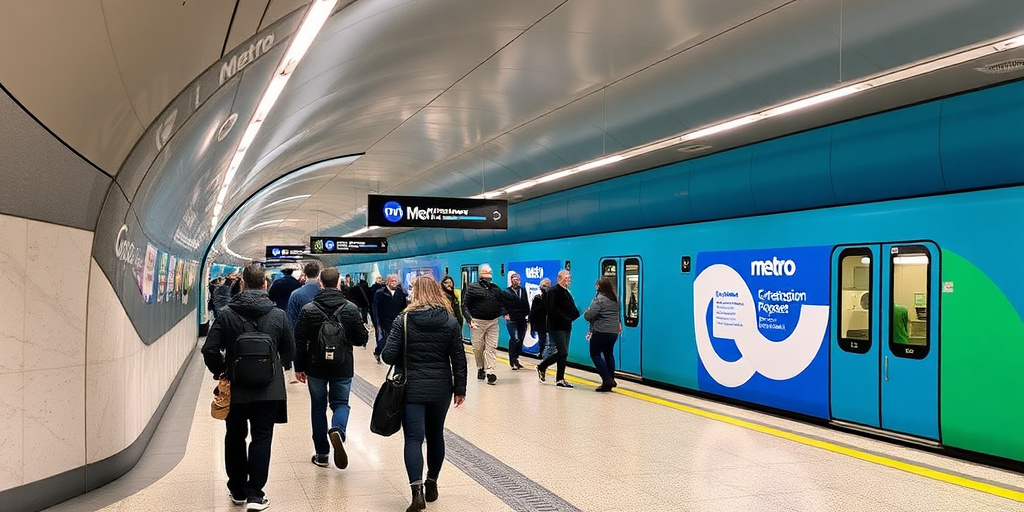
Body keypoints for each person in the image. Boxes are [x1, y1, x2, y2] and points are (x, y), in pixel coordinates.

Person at [201, 262, 294, 511]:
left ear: (242, 283)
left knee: (235, 437)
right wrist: (274, 365)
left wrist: (222, 370)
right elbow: (289, 351)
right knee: (262, 437)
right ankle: (256, 494)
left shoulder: (227, 314)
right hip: (269, 389)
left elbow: (209, 349)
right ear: (265, 284)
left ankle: (238, 491)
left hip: (236, 387)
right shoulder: (278, 315)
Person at [381, 276, 467, 512]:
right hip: (441, 388)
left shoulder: (404, 320)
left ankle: (416, 492)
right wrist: (460, 389)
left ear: (415, 293)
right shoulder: (450, 322)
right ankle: (432, 483)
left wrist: (404, 354)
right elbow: (459, 359)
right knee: (436, 434)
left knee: (414, 439)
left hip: (411, 388)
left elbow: (387, 356)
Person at [293, 268, 369, 469]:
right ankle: (338, 430)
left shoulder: (308, 309)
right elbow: (362, 339)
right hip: (342, 366)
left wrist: (299, 367)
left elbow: (299, 341)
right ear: (338, 283)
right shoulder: (350, 308)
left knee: (318, 408)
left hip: (315, 366)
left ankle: (322, 454)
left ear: (321, 283)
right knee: (341, 403)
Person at [461, 264, 504, 384]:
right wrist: (469, 318)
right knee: (478, 347)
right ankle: (480, 367)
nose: (488, 279)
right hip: (477, 322)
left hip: (493, 322)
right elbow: (464, 305)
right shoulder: (472, 288)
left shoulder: (496, 289)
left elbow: (502, 303)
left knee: (491, 347)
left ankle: (491, 371)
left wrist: (503, 312)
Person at [537, 270, 579, 388]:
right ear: (560, 278)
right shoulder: (553, 291)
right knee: (563, 351)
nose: (569, 280)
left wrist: (575, 315)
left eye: (569, 278)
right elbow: (551, 310)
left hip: (566, 325)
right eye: (567, 278)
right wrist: (566, 318)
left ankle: (560, 378)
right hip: (556, 325)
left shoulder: (567, 292)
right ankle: (543, 366)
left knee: (563, 353)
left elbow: (571, 307)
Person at [584, 277, 621, 392]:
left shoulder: (599, 300)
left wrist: (586, 311)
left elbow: (589, 315)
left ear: (600, 287)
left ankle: (607, 379)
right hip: (613, 333)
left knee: (595, 354)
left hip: (600, 332)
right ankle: (611, 380)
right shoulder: (615, 299)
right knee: (609, 355)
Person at [372, 274, 407, 364]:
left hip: (397, 320)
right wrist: (377, 322)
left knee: (394, 339)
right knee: (384, 339)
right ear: (388, 282)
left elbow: (404, 307)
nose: (394, 283)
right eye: (392, 281)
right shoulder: (380, 293)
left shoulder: (400, 293)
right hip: (384, 321)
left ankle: (389, 355)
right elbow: (375, 308)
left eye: (396, 281)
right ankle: (379, 351)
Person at [502, 271, 530, 370]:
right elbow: (502, 304)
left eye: (518, 279)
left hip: (522, 318)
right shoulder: (506, 292)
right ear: (511, 280)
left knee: (521, 339)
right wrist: (505, 314)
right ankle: (512, 360)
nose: (517, 281)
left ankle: (516, 358)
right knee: (515, 338)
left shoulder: (523, 290)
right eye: (515, 279)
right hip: (512, 318)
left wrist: (528, 313)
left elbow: (526, 302)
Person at [530, 278, 552, 359]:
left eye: (547, 286)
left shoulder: (551, 297)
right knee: (542, 339)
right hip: (540, 322)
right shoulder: (537, 298)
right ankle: (542, 352)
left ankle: (546, 354)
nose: (545, 288)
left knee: (548, 340)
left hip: (548, 322)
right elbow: (533, 311)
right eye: (544, 286)